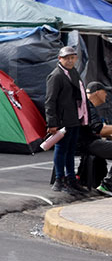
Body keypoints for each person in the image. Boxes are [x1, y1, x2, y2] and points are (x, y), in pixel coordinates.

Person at [45, 46, 89, 194]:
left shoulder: (73, 72)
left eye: (72, 58)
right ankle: (59, 179)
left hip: (75, 117)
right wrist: (52, 122)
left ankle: (71, 179)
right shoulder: (56, 76)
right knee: (61, 149)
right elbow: (50, 101)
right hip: (63, 119)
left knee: (70, 150)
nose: (70, 61)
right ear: (60, 59)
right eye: (67, 58)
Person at [83, 82, 112, 196]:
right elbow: (99, 129)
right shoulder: (88, 106)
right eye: (105, 93)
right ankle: (108, 185)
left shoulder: (88, 105)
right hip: (87, 143)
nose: (106, 96)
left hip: (89, 140)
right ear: (98, 93)